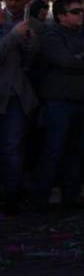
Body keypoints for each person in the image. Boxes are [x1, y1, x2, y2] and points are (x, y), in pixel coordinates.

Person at [30, 0, 84, 207]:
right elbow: (63, 60)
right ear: (61, 16)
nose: (81, 15)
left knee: (80, 149)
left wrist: (81, 59)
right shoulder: (50, 35)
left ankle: (71, 193)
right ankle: (45, 194)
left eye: (80, 11)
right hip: (59, 102)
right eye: (75, 12)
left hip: (83, 100)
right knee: (54, 148)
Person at [0, 12, 35, 210]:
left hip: (14, 97)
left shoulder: (13, 26)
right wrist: (13, 36)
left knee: (13, 147)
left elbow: (30, 60)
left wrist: (29, 41)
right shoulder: (11, 32)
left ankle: (12, 194)